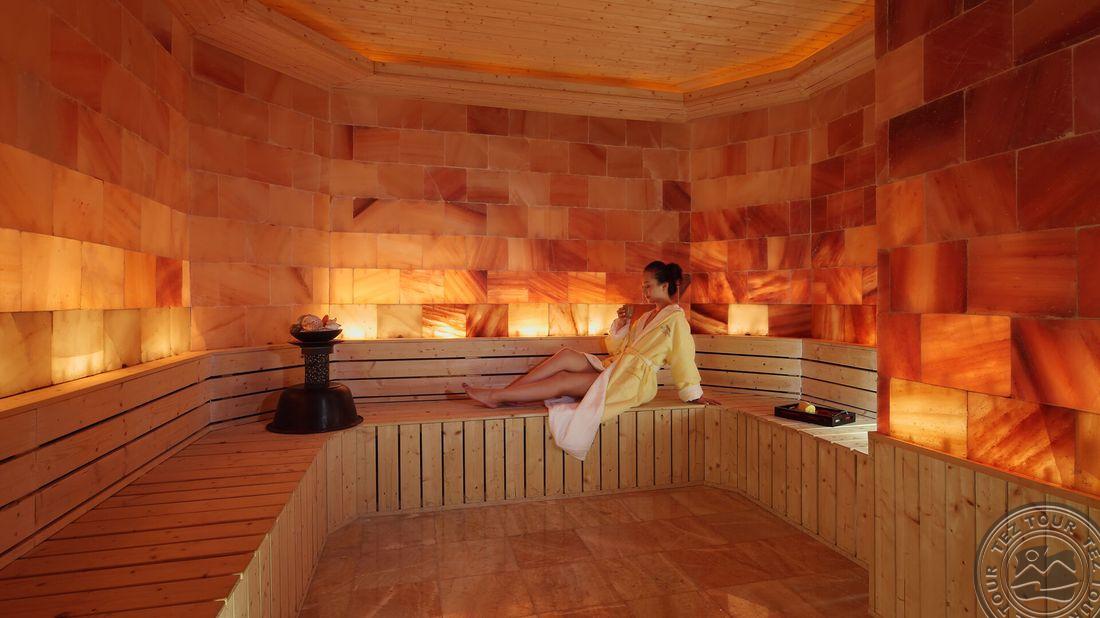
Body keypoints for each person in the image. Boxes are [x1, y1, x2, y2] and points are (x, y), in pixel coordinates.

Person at [464, 261, 720, 459]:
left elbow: (683, 358)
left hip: (632, 382)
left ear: (665, 286)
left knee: (563, 380)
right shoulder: (646, 318)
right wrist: (622, 324)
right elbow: (618, 347)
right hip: (617, 366)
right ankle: (508, 393)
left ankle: (497, 396)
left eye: (648, 286)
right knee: (566, 355)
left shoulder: (676, 320)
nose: (644, 291)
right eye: (643, 286)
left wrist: (694, 394)